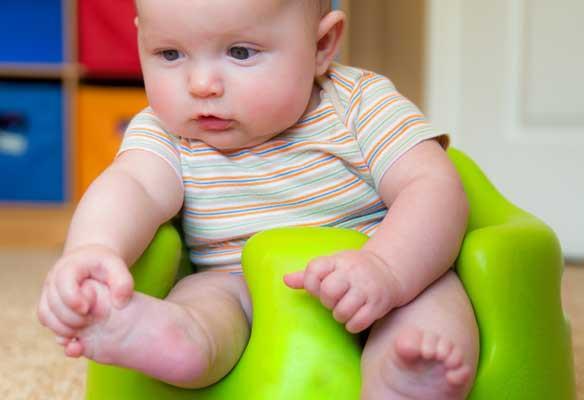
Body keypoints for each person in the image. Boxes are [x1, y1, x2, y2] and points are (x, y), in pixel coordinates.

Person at [37, 0, 479, 398]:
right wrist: (94, 248)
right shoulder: (167, 132)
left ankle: (404, 378)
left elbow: (433, 186)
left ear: (321, 45)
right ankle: (171, 339)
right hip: (237, 283)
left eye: (240, 53)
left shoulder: (359, 103)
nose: (201, 84)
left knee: (431, 295)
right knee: (204, 298)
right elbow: (131, 186)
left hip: (377, 267)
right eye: (170, 54)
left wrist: (387, 268)